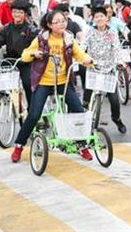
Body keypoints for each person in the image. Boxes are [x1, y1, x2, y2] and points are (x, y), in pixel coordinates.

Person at [10, 10, 94, 163]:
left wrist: (88, 60)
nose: (62, 24)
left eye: (63, 20)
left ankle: (82, 146)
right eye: (57, 22)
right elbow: (24, 55)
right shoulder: (42, 39)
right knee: (34, 115)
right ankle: (19, 146)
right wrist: (34, 53)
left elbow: (80, 54)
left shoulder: (68, 38)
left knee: (78, 110)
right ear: (49, 25)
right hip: (44, 82)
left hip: (63, 82)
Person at [79, 7, 127, 134]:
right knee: (87, 98)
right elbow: (82, 46)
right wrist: (82, 58)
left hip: (108, 68)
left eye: (102, 16)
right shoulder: (89, 32)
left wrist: (120, 62)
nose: (99, 19)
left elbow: (116, 49)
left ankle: (116, 119)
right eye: (96, 17)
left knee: (114, 100)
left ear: (107, 18)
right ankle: (85, 119)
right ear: (93, 19)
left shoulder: (112, 32)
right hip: (93, 67)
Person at [0, 0, 39, 103]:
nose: (17, 14)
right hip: (10, 61)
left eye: (20, 12)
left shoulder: (31, 29)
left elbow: (38, 45)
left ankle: (31, 110)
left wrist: (35, 54)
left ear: (25, 14)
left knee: (28, 84)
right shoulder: (7, 28)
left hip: (26, 62)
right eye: (14, 11)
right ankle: (7, 96)